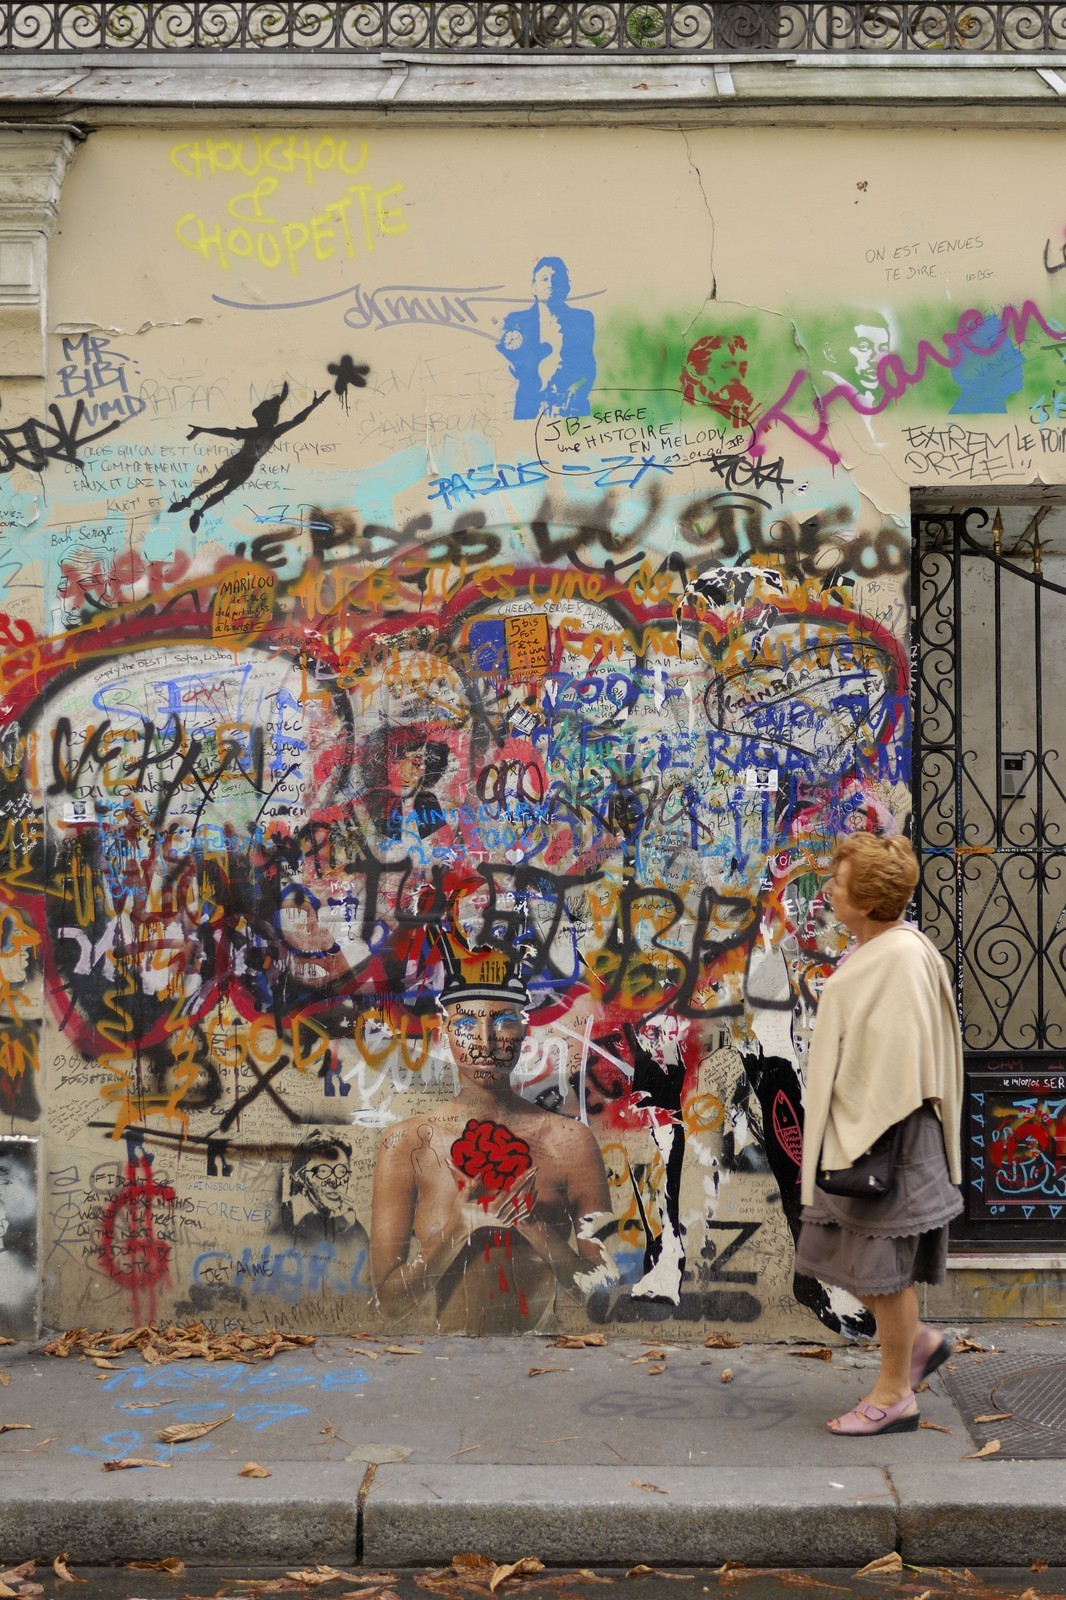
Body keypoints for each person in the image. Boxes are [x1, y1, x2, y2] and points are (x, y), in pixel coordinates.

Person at [795, 834, 964, 1436]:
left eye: (837, 885)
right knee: (855, 1259)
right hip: (876, 1134)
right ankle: (915, 1345)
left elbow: (893, 1063)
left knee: (882, 1272)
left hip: (884, 1137)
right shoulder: (896, 947)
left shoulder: (894, 958)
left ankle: (896, 1394)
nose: (828, 892)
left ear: (863, 903)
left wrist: (851, 1125)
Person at [370, 969, 613, 1332]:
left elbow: (603, 1299)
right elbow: (389, 1304)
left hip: (543, 1361)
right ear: (443, 1033)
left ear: (524, 1032)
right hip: (445, 1367)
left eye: (503, 1022)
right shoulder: (406, 1144)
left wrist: (531, 1225)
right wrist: (461, 1224)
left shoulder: (569, 1141)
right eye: (467, 1023)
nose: (485, 1042)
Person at [497, 258, 596, 421]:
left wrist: (576, 390)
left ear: (567, 286)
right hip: (530, 408)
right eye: (544, 279)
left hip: (572, 409)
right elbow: (509, 364)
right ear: (534, 287)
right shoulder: (517, 321)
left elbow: (588, 364)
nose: (550, 285)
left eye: (556, 279)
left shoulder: (582, 319)